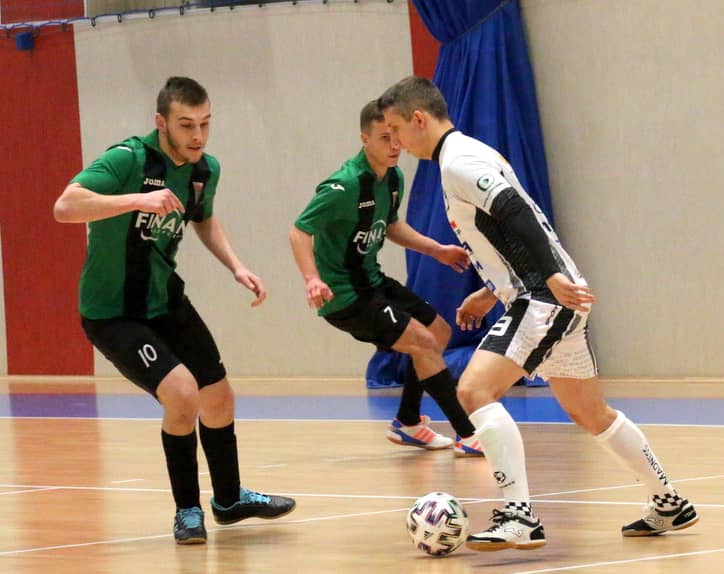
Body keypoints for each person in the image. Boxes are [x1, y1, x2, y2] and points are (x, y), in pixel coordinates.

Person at [378, 76, 698, 551]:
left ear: (419, 119)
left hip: (543, 297)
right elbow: (510, 231)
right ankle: (669, 501)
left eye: (396, 129)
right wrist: (492, 291)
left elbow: (516, 214)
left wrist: (548, 276)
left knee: (473, 390)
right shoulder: (468, 154)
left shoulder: (459, 162)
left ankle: (519, 515)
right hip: (543, 293)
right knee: (590, 412)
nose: (396, 142)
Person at [53, 77, 295, 544]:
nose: (198, 135)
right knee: (182, 395)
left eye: (205, 123)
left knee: (218, 397)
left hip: (166, 300)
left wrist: (236, 266)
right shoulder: (128, 159)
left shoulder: (204, 169)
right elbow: (65, 206)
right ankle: (187, 510)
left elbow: (203, 218)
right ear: (161, 122)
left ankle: (229, 500)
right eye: (186, 125)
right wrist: (137, 199)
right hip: (113, 313)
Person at [288, 100, 483, 457]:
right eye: (383, 138)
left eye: (395, 135)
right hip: (344, 295)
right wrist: (312, 279)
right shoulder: (343, 185)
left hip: (373, 281)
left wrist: (437, 250)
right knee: (422, 342)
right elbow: (299, 231)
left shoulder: (393, 178)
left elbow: (390, 225)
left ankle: (408, 422)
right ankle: (467, 433)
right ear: (364, 139)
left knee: (438, 332)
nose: (394, 145)